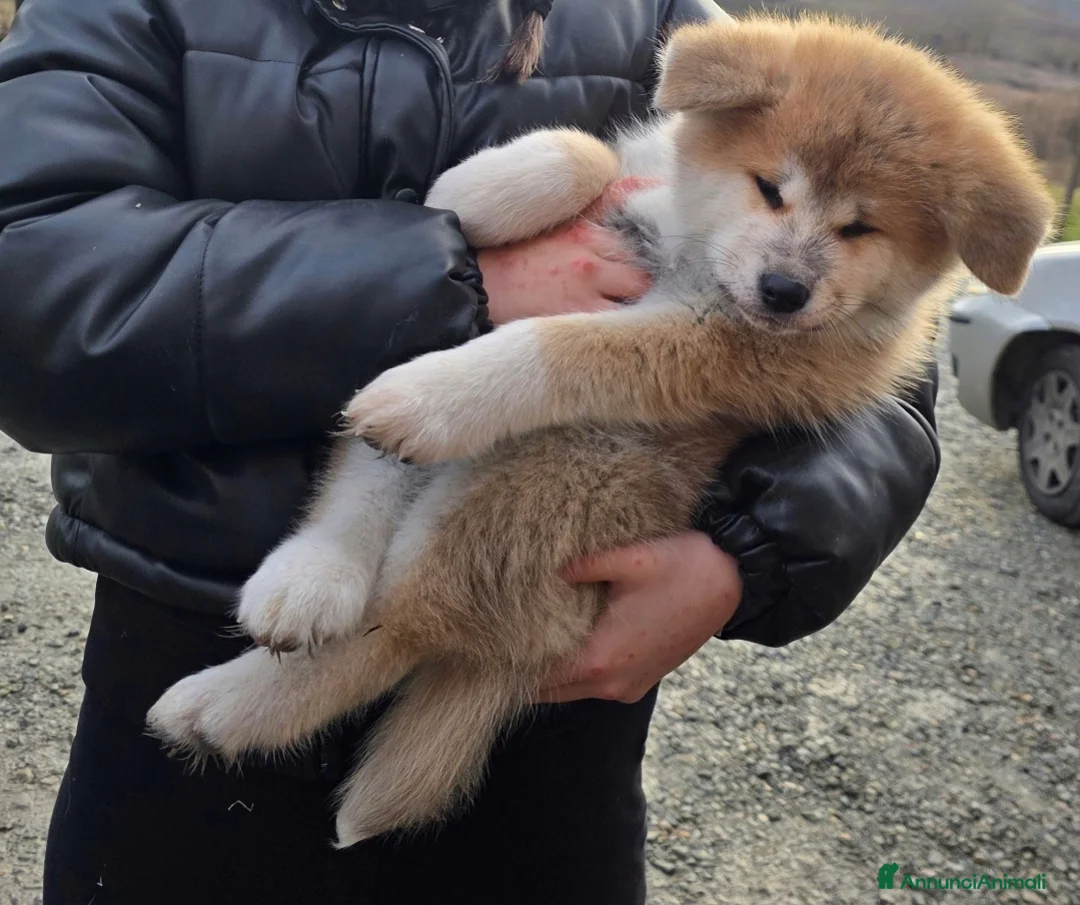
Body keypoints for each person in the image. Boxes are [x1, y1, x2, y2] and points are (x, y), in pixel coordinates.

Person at [0, 1, 941, 903]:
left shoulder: (651, 10)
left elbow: (889, 372)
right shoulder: (133, 7)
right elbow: (32, 290)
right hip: (179, 629)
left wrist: (750, 551)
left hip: (557, 716)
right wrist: (453, 283)